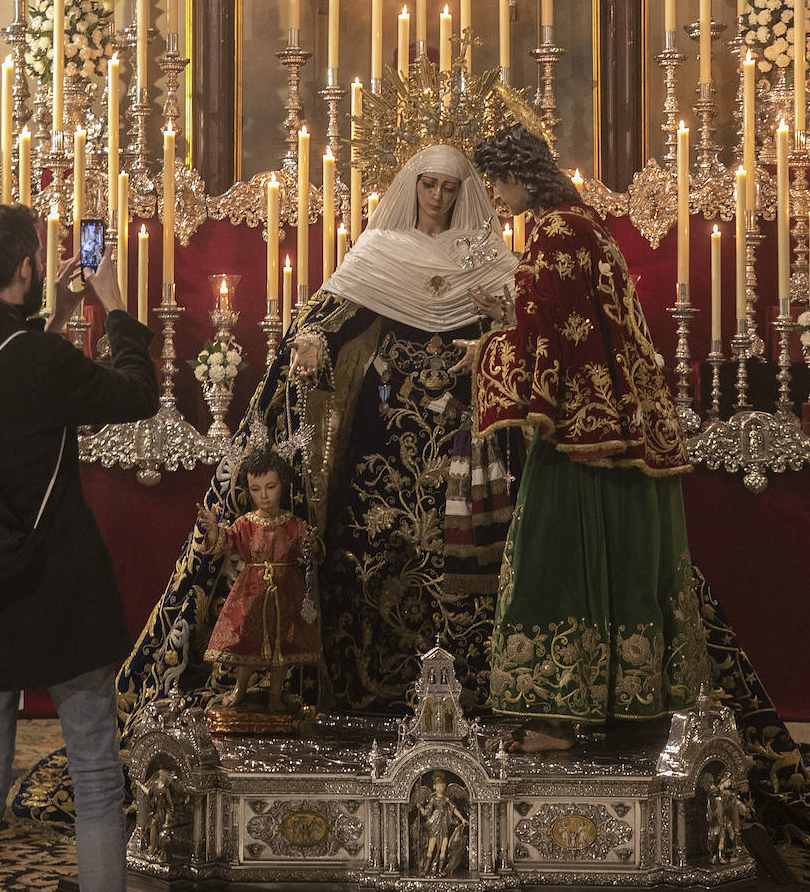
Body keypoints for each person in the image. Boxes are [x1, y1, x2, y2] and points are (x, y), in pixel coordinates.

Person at [115, 145, 517, 730]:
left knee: (469, 553)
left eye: (448, 188)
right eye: (428, 185)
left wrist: (499, 328)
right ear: (413, 187)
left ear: (463, 195)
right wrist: (309, 341)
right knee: (378, 550)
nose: (437, 198)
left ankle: (476, 686)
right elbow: (330, 315)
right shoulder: (381, 251)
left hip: (463, 431)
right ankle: (373, 686)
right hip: (385, 434)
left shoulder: (481, 257)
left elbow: (514, 323)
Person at [0, 204, 158, 892]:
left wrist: (52, 313)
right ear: (25, 267)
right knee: (96, 773)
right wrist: (116, 310)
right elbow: (138, 394)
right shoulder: (42, 360)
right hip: (59, 582)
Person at [454, 125, 709, 753]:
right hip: (621, 423)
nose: (500, 198)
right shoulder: (584, 222)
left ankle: (556, 718)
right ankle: (631, 706)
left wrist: (485, 351)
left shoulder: (556, 232)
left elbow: (553, 341)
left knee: (553, 558)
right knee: (625, 559)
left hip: (581, 433)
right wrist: (508, 312)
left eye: (499, 185)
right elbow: (571, 321)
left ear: (518, 176)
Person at [198, 447, 322, 712]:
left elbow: (310, 551)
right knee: (246, 644)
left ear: (283, 486)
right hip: (251, 592)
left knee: (283, 647)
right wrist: (213, 531)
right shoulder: (245, 523)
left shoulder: (293, 523)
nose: (264, 496)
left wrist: (311, 543)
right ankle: (240, 688)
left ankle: (275, 695)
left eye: (270, 487)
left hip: (287, 591)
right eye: (256, 489)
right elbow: (226, 542)